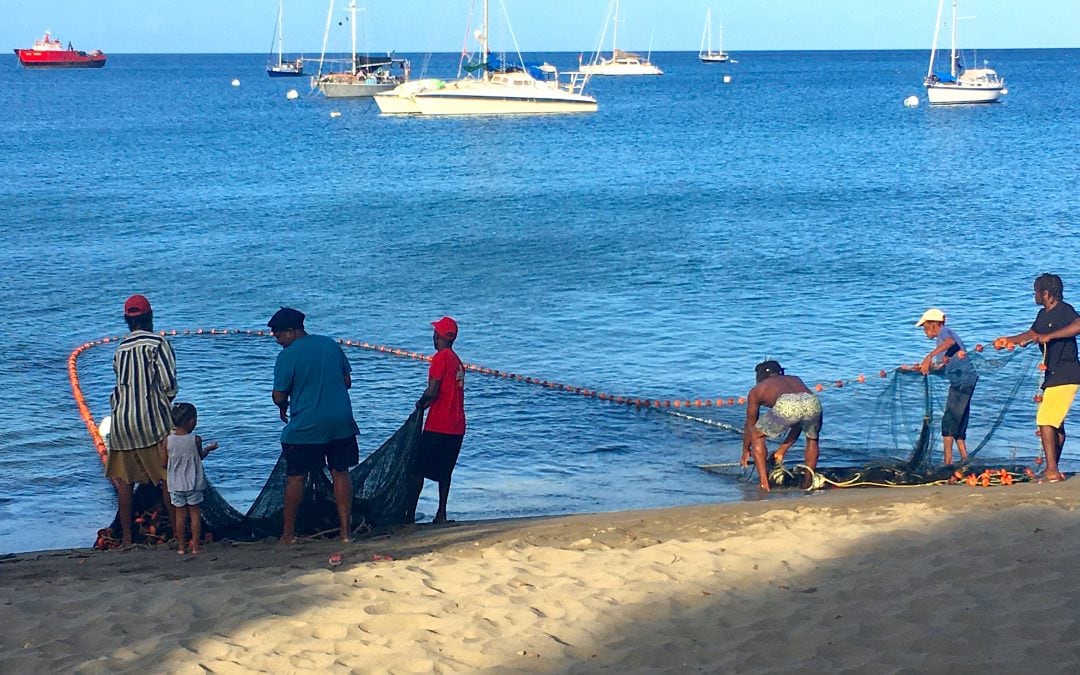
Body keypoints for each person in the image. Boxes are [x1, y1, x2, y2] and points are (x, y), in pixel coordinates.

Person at [269, 307, 360, 544]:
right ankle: (345, 534)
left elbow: (279, 396)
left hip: (308, 425)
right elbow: (347, 381)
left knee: (295, 477)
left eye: (278, 336)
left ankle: (288, 535)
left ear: (291, 331)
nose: (277, 341)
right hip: (341, 420)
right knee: (340, 473)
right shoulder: (330, 344)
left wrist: (285, 402)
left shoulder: (287, 356)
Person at [107, 294, 179, 548]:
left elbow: (120, 386)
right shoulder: (158, 343)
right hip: (151, 423)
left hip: (121, 423)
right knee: (167, 478)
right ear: (150, 317)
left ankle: (127, 539)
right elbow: (169, 385)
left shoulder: (120, 348)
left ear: (127, 320)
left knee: (125, 483)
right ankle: (178, 536)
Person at [996, 274, 1080, 483]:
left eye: (1036, 291)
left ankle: (1052, 470)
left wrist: (1050, 336)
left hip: (1067, 373)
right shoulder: (1043, 315)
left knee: (1045, 420)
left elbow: (1078, 325)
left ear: (1046, 293)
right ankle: (1053, 469)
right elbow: (1031, 334)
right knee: (1056, 425)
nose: (1034, 295)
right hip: (1052, 373)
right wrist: (1008, 340)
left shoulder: (1064, 310)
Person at [407, 316, 466, 524]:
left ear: (438, 336)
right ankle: (441, 513)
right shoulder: (457, 361)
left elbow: (433, 391)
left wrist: (420, 405)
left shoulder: (440, 358)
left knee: (417, 469)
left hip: (439, 424)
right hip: (457, 425)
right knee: (445, 471)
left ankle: (409, 515)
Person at [904, 308, 980, 465]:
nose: (925, 332)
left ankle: (948, 463)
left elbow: (950, 343)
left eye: (925, 328)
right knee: (959, 420)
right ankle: (965, 460)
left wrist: (929, 356)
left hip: (962, 381)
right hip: (964, 380)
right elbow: (941, 367)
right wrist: (915, 369)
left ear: (933, 325)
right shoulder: (943, 340)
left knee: (948, 422)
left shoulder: (944, 332)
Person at [741, 360, 822, 491]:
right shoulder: (795, 378)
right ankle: (807, 482)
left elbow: (749, 426)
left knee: (756, 434)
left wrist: (745, 451)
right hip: (811, 400)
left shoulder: (757, 390)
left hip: (787, 402)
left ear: (760, 376)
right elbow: (797, 421)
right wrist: (782, 450)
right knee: (812, 438)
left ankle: (764, 483)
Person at [165, 403, 218, 555]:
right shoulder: (196, 439)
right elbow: (200, 456)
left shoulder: (167, 441)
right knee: (195, 513)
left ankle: (181, 547)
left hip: (175, 484)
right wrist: (208, 449)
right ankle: (195, 546)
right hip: (193, 482)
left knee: (180, 515)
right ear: (191, 421)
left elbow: (163, 463)